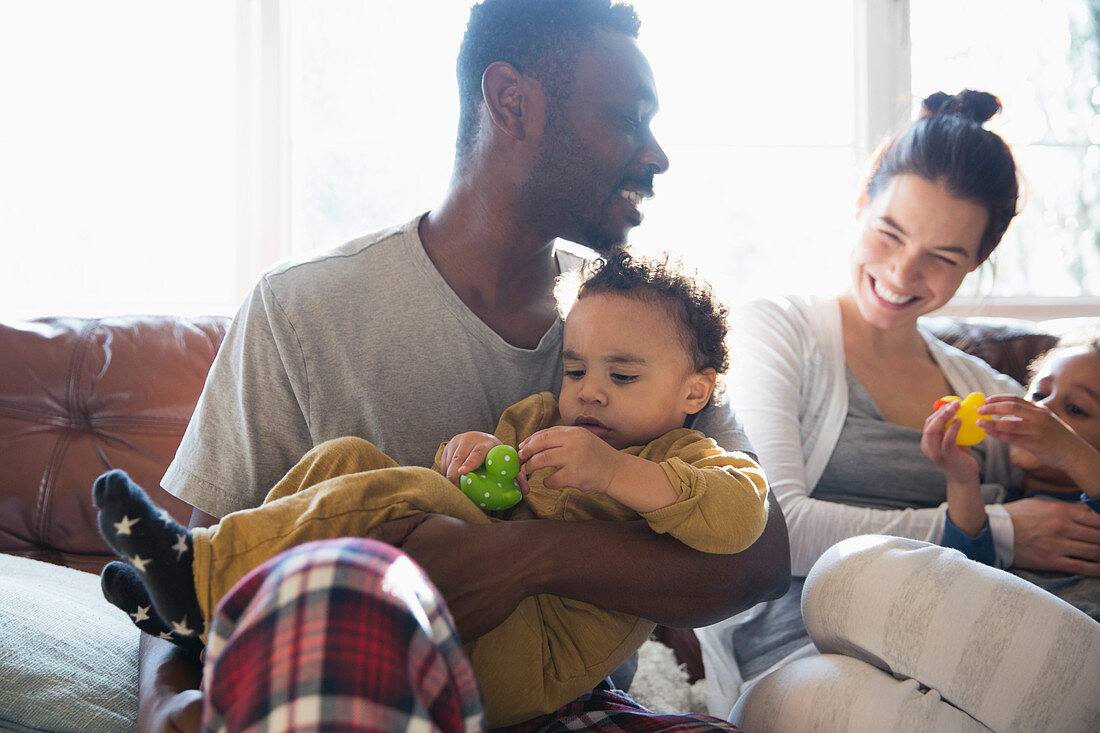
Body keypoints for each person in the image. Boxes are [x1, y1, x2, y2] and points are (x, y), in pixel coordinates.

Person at [138, 1, 791, 730]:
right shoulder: (300, 308)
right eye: (629, 119)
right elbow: (189, 568)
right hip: (354, 686)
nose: (656, 154)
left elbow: (758, 558)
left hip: (569, 702)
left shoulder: (635, 326)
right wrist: (166, 703)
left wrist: (523, 557)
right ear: (514, 102)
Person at [93, 251, 771, 726]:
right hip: (472, 612)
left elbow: (740, 519)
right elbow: (491, 501)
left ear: (694, 390)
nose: (588, 390)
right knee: (349, 457)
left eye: (621, 376)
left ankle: (205, 581)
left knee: (406, 491)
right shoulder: (541, 419)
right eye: (574, 368)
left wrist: (616, 472)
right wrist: (471, 461)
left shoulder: (691, 454)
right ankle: (214, 594)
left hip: (535, 657)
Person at [696, 90, 1100, 729]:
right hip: (794, 655)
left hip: (965, 665)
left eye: (945, 257)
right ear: (861, 204)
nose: (905, 271)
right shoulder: (775, 330)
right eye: (890, 232)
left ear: (976, 263)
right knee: (852, 584)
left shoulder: (988, 388)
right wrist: (1003, 529)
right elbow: (771, 530)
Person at [923, 327, 1100, 618]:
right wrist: (961, 478)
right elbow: (964, 572)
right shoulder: (1000, 502)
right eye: (1039, 394)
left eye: (1076, 409)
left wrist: (1073, 453)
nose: (1043, 410)